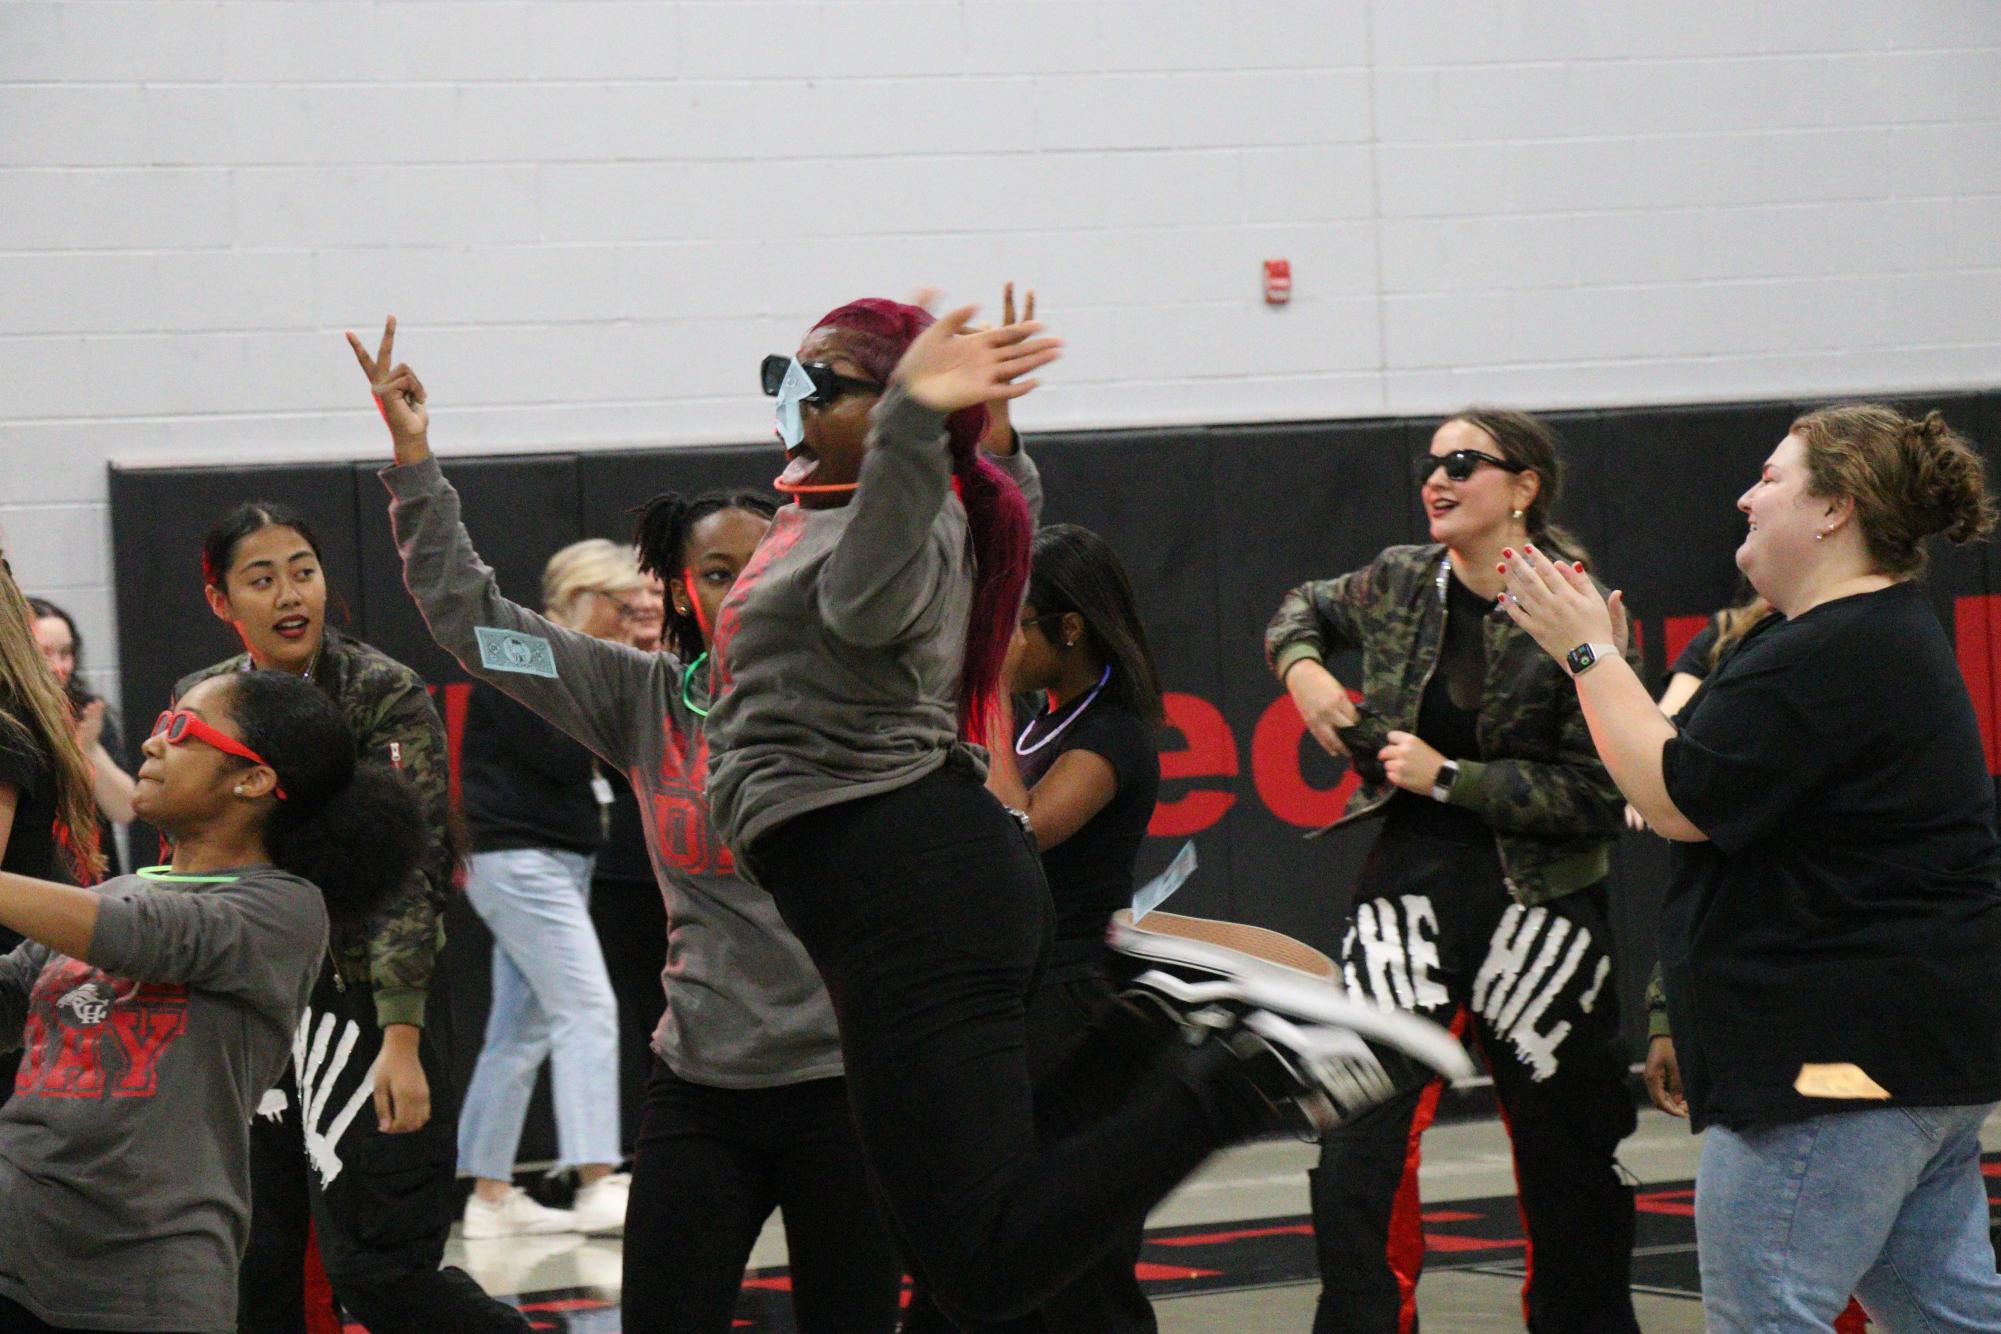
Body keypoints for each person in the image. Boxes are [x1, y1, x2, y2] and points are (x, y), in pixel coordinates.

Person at [696, 295, 1469, 1330]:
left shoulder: (881, 522)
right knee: (967, 1247)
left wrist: (919, 421)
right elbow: (998, 506)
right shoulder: (866, 507)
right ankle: (1143, 1027)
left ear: (892, 413)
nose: (787, 403)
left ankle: (1245, 1074)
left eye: (818, 385)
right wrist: (972, 432)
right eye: (777, 378)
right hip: (892, 886)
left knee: (980, 1265)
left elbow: (865, 603)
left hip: (905, 882)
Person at [352, 314, 907, 1333]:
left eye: (754, 561)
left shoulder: (855, 688)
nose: (734, 583)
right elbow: (475, 624)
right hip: (704, 1083)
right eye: (710, 570)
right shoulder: (640, 697)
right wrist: (415, 463)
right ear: (683, 591)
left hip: (845, 1086)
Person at [1498, 403, 2001, 1329]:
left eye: (1770, 478)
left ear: (1833, 510)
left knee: (1768, 1310)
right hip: (1905, 1056)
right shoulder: (1843, 637)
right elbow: (1684, 772)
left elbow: (1674, 801)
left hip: (1833, 1066)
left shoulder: (1835, 647)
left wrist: (1586, 652)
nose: (1744, 495)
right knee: (1946, 1314)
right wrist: (1597, 667)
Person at [1266, 407, 1640, 1333]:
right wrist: (1307, 674)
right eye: (1431, 463)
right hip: (1406, 894)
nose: (1437, 479)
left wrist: (1452, 778)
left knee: (1569, 1161)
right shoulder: (1398, 578)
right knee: (1355, 1148)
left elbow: (1600, 793)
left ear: (1523, 488)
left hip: (1541, 907)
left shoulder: (1580, 611)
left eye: (1463, 464)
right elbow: (1297, 609)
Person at [180, 501, 525, 1333]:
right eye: (261, 579)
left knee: (377, 1269)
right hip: (258, 1013)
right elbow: (194, 868)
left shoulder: (381, 690)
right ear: (221, 601)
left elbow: (412, 871)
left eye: (303, 569)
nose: (290, 593)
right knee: (254, 1267)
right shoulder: (203, 702)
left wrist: (400, 1038)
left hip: (365, 1006)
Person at [0, 668, 424, 1332]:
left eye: (180, 729)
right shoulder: (114, 893)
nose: (150, 743)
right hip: (14, 1252)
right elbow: (10, 1000)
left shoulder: (282, 911)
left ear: (252, 779)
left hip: (143, 1275)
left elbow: (143, 939)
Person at [978, 522, 1167, 1334]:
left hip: (1073, 1001)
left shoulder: (1111, 732)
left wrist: (978, 695)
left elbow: (1022, 825)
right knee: (1017, 1238)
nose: (997, 645)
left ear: (1069, 628)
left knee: (1084, 1251)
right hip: (1026, 993)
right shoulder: (1040, 722)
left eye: (1008, 627)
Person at [456, 539, 644, 1239]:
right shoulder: (523, 649)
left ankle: (489, 1197)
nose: (630, 622)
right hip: (518, 856)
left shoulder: (575, 661)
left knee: (518, 1031)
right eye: (622, 607)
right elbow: (563, 753)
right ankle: (596, 1177)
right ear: (585, 599)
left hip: (554, 854)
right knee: (588, 1007)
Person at [588, 568, 669, 1156]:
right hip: (630, 875)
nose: (645, 604)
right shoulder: (614, 672)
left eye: (658, 594)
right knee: (655, 1031)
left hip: (718, 873)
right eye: (634, 595)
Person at [28, 597, 136, 872]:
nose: (58, 667)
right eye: (45, 654)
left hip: (93, 878)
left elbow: (126, 809)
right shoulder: (12, 721)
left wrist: (89, 750)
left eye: (66, 653)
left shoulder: (88, 712)